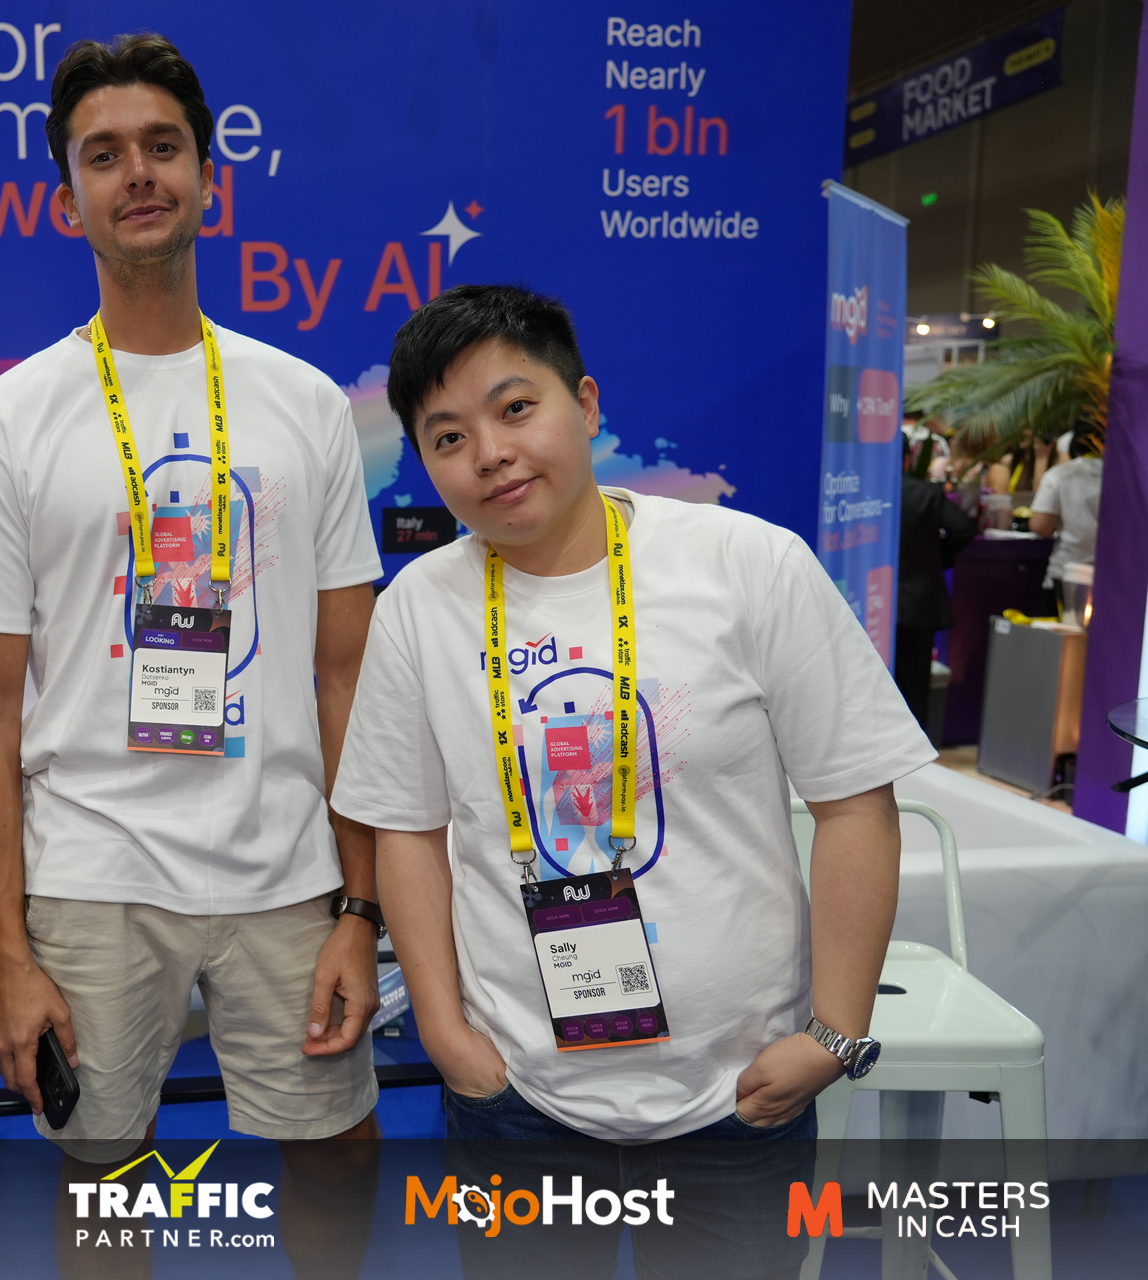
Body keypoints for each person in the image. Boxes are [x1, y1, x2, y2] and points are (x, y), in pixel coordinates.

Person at [331, 285, 935, 1276]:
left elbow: (856, 802)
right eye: (448, 437)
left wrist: (835, 1032)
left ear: (586, 404)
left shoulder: (747, 565)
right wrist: (443, 1029)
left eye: (515, 408)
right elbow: (408, 829)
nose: (489, 453)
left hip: (738, 1093)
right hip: (518, 1095)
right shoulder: (420, 609)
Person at [0, 29, 383, 1268]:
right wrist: (6, 949)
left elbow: (348, 672)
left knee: (339, 1146)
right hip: (93, 866)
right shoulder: (4, 422)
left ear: (207, 178)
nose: (137, 172)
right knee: (105, 1171)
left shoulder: (305, 403)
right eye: (103, 153)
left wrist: (361, 905)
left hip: (284, 864)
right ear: (64, 196)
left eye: (162, 147)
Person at [896, 443, 976, 738]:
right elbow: (963, 528)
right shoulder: (925, 493)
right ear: (907, 459)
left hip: (867, 601)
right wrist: (936, 559)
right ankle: (915, 752)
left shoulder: (858, 491)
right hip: (917, 603)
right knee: (914, 688)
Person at [1029, 431, 1103, 606]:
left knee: (1065, 623)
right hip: (1114, 579)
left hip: (1067, 575)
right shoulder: (1129, 477)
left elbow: (1040, 526)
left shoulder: (1060, 474)